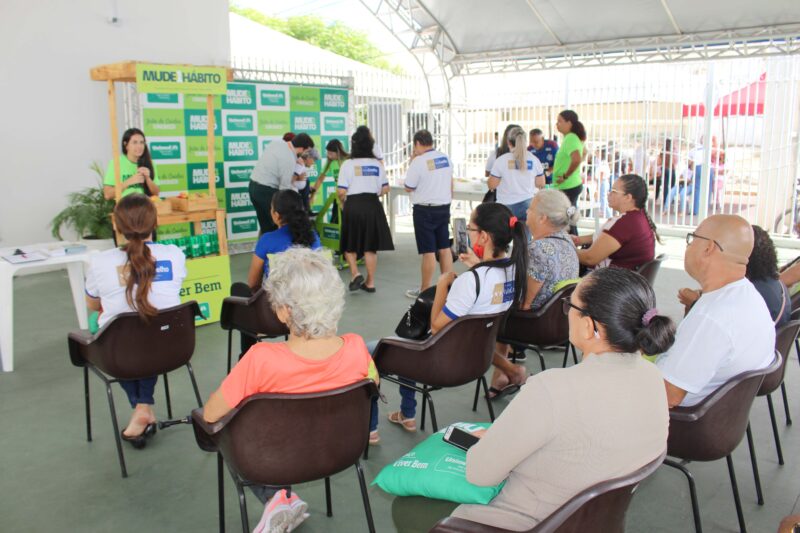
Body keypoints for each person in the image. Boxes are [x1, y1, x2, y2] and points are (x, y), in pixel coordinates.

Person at [450, 267, 674, 530]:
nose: (566, 313)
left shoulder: (551, 390)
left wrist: (494, 442)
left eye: (570, 306)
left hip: (526, 522)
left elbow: (479, 474)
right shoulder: (653, 377)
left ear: (589, 326)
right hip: (595, 523)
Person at [203, 247, 378, 533]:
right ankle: (280, 500)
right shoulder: (357, 348)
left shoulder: (260, 359)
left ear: (284, 311)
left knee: (226, 427)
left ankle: (276, 496)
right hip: (337, 451)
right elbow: (373, 387)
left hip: (274, 462)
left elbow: (211, 415)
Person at [371, 203, 528, 439]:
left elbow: (436, 326)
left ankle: (374, 428)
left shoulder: (470, 281)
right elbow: (489, 289)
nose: (467, 234)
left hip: (443, 364)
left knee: (375, 349)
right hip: (478, 361)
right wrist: (478, 265)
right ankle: (406, 414)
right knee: (404, 344)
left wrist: (443, 284)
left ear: (484, 237)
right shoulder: (514, 271)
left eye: (470, 229)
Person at [84, 194, 186, 447]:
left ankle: (141, 408)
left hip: (120, 354)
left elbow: (93, 304)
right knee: (147, 332)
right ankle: (143, 406)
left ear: (117, 226)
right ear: (155, 223)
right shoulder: (174, 255)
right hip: (171, 348)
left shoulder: (100, 262)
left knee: (114, 331)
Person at [656, 215, 776, 407]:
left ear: (708, 248)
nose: (688, 246)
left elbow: (669, 396)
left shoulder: (712, 317)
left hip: (681, 416)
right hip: (721, 412)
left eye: (692, 239)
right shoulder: (747, 293)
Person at [233, 189, 322, 357]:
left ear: (276, 215)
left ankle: (247, 354)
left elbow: (253, 283)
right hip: (310, 314)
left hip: (274, 317)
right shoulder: (313, 238)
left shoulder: (267, 240)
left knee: (239, 289)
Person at [678, 225, 791, 328]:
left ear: (744, 257)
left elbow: (718, 326)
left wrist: (695, 303)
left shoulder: (752, 294)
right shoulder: (771, 283)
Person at [338, 126, 394, 293]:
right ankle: (370, 282)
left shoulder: (347, 164)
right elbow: (386, 188)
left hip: (353, 205)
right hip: (372, 205)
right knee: (370, 246)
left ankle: (355, 273)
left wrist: (342, 201)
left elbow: (341, 191)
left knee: (349, 244)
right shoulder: (377, 164)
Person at [403, 129, 454, 299]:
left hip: (424, 210)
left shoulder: (418, 162)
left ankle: (425, 290)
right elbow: (450, 182)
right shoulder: (445, 158)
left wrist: (412, 161)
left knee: (429, 251)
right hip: (444, 207)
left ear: (417, 143)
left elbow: (409, 186)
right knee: (444, 248)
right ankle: (448, 287)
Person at [574, 174, 658, 270]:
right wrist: (577, 240)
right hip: (627, 277)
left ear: (628, 197)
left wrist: (565, 249)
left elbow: (589, 258)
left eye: (614, 191)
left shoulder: (625, 224)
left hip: (611, 278)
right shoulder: (638, 217)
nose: (609, 194)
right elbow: (605, 239)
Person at [523, 189, 580, 311]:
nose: (527, 211)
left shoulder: (538, 249)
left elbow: (525, 304)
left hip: (534, 319)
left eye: (531, 209)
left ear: (542, 218)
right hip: (560, 317)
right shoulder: (567, 239)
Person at [249, 133, 315, 235]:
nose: (306, 154)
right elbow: (284, 190)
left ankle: (265, 244)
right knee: (277, 225)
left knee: (265, 225)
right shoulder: (289, 159)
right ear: (302, 149)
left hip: (253, 187)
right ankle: (276, 244)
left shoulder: (277, 142)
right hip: (266, 191)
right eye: (307, 151)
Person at [488, 126, 545, 222]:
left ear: (509, 142)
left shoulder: (501, 160)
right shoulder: (534, 160)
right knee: (525, 231)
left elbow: (492, 185)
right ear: (525, 142)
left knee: (505, 231)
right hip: (527, 205)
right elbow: (540, 183)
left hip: (505, 206)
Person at [552, 110, 586, 235]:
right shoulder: (571, 138)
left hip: (568, 186)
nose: (557, 124)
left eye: (560, 121)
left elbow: (576, 159)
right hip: (569, 185)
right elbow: (584, 152)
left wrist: (565, 176)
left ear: (569, 123)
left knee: (567, 221)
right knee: (569, 219)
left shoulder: (571, 138)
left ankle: (572, 243)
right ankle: (572, 242)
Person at [103, 128, 160, 200]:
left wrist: (148, 179)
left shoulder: (150, 163)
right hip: (125, 206)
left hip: (146, 205)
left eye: (142, 142)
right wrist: (129, 182)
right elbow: (107, 195)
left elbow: (156, 193)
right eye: (135, 142)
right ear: (126, 145)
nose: (139, 146)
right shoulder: (116, 163)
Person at [310, 139, 349, 203]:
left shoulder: (348, 160)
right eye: (328, 153)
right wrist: (312, 195)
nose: (328, 156)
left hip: (350, 196)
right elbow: (320, 179)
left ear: (338, 152)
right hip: (339, 196)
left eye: (331, 153)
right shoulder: (330, 162)